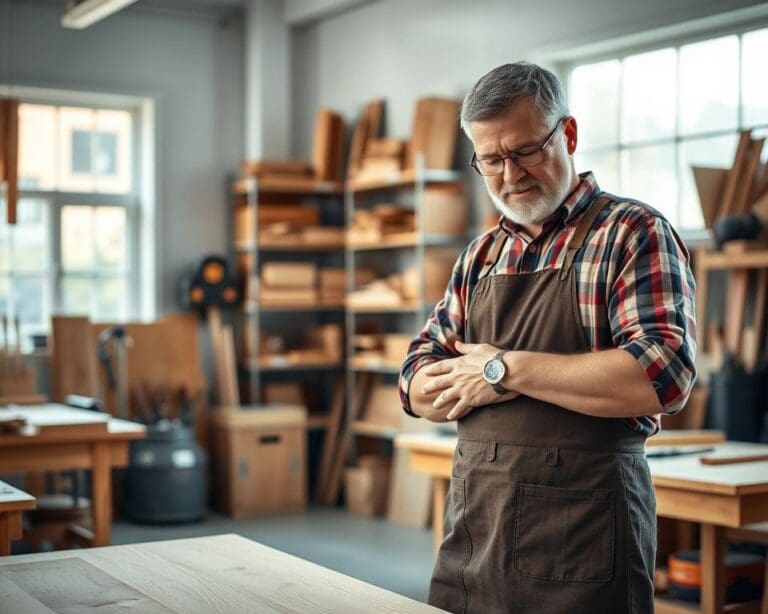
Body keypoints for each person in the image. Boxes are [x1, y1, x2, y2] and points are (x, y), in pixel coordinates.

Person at [398, 62, 696, 614]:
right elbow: (414, 380)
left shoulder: (632, 234)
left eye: (526, 151)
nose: (510, 175)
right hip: (473, 539)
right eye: (491, 160)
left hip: (585, 539)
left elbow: (662, 375)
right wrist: (444, 381)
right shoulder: (481, 256)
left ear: (569, 134)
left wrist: (500, 371)